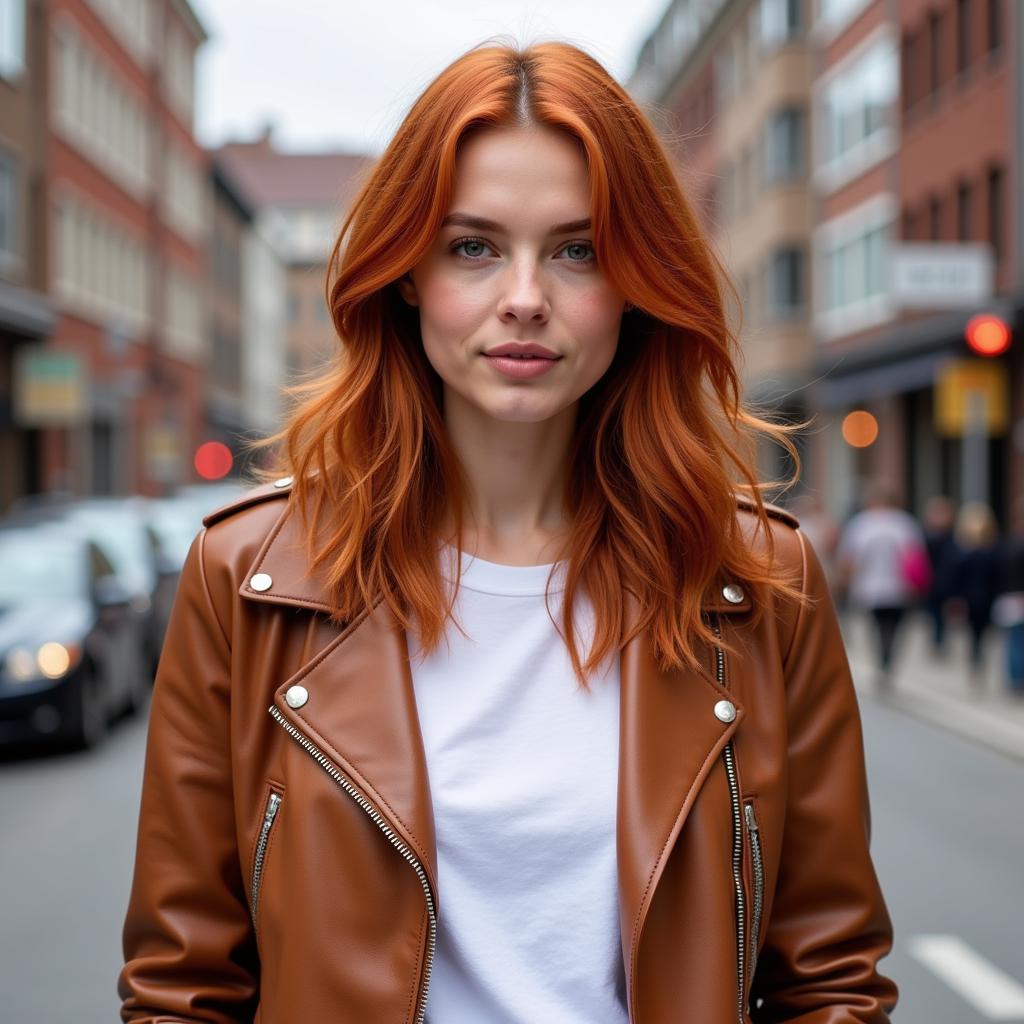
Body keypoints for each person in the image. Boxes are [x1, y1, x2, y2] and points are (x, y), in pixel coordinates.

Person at [118, 40, 897, 1023]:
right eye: (473, 246)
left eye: (576, 249)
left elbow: (828, 977)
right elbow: (182, 987)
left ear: (634, 281)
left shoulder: (754, 579)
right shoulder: (249, 579)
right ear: (406, 274)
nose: (524, 295)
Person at [836, 479, 927, 692]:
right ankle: (887, 661)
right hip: (899, 588)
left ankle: (882, 661)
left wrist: (847, 581)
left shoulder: (861, 524)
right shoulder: (904, 523)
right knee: (894, 627)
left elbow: (849, 558)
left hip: (871, 588)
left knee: (877, 627)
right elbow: (915, 556)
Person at [950, 501, 1004, 690]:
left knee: (975, 635)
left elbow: (956, 579)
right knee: (981, 635)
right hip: (984, 599)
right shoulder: (992, 553)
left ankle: (976, 662)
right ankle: (978, 662)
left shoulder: (965, 554)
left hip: (973, 599)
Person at [993, 497, 1024, 696]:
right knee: (1016, 639)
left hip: (1010, 597)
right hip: (1014, 597)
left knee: (1014, 639)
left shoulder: (1007, 542)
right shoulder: (1011, 543)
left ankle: (1015, 679)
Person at [922, 494, 959, 655]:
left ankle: (939, 639)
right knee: (934, 613)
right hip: (930, 581)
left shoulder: (954, 537)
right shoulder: (926, 536)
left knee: (943, 613)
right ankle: (937, 640)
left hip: (947, 581)